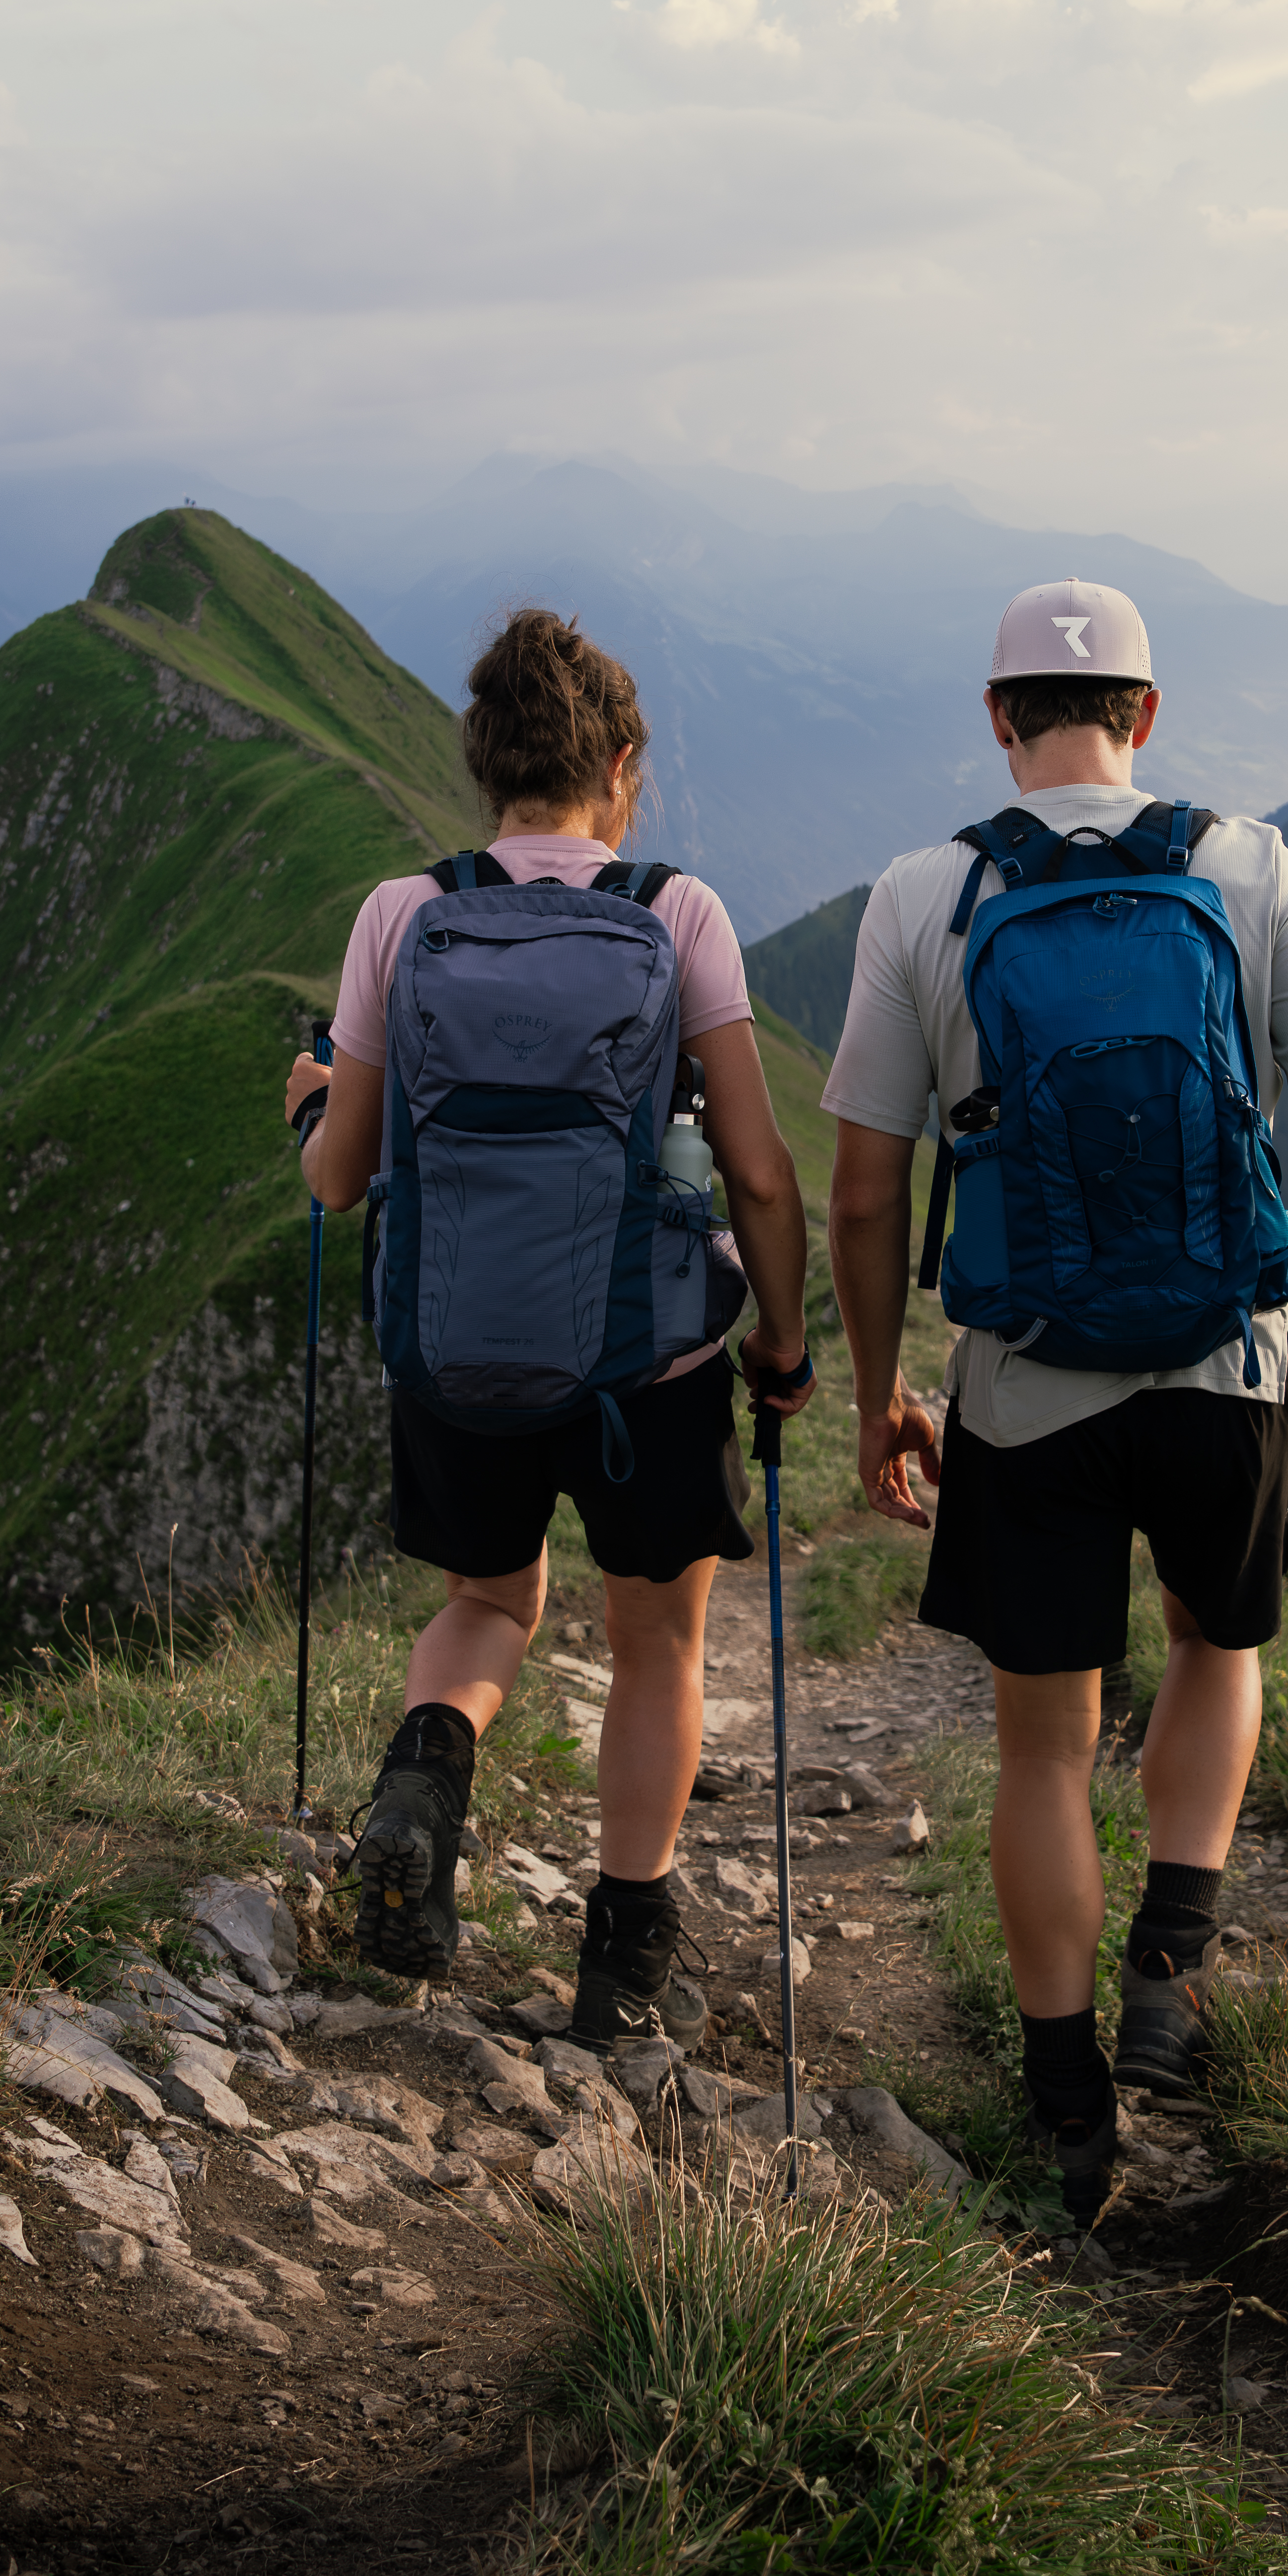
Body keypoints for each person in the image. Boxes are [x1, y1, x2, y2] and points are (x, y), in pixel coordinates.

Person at [821, 577, 1288, 2224]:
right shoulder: (1249, 869)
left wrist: (888, 1390)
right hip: (1225, 1369)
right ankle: (1173, 1958)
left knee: (1042, 1750)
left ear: (999, 719)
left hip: (1026, 1390)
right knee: (1215, 1644)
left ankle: (1065, 2101)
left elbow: (870, 1195)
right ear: (1147, 718)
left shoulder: (924, 894)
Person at [280, 608, 817, 2041]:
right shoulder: (677, 911)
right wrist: (783, 1342)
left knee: (487, 1604)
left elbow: (342, 1179)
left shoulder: (403, 915)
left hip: (460, 1344)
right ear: (620, 765)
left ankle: (428, 1767)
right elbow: (758, 1169)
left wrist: (316, 1101)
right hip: (651, 1361)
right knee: (657, 1641)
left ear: (484, 769)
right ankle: (624, 1959)